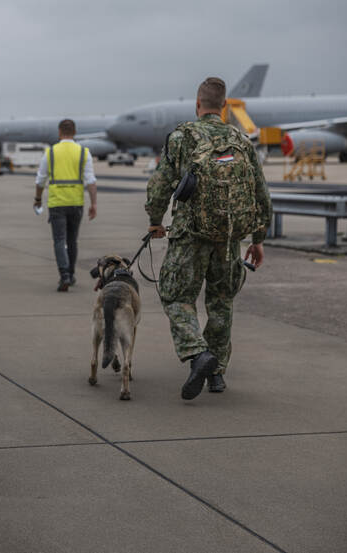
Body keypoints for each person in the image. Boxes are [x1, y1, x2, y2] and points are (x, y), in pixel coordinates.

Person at [145, 77, 272, 400]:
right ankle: (216, 375)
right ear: (225, 106)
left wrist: (155, 221)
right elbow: (261, 193)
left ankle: (198, 353)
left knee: (176, 297)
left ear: (198, 105)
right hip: (229, 238)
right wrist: (257, 239)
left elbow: (160, 185)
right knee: (221, 303)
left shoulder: (182, 137)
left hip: (191, 235)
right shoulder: (241, 140)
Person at [34, 119, 98, 291]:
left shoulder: (51, 152)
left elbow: (40, 180)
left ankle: (64, 276)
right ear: (75, 132)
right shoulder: (84, 152)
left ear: (59, 132)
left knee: (59, 240)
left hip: (57, 203)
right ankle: (71, 273)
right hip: (76, 202)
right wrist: (94, 204)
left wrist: (38, 199)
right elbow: (90, 181)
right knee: (72, 240)